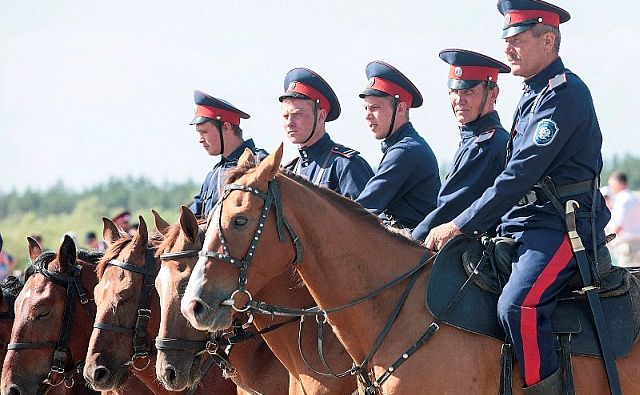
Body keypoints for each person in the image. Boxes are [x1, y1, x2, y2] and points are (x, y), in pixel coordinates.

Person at [425, 1, 610, 393]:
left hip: (563, 226)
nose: (509, 49)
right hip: (524, 226)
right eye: (507, 40)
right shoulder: (534, 93)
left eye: (518, 40)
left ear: (548, 41)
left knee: (518, 307)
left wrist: (459, 225)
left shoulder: (565, 94)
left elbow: (519, 174)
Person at [412, 49, 510, 241]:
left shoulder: (487, 145)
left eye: (469, 91)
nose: (459, 100)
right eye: (454, 91)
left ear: (493, 93)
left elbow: (451, 208)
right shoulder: (473, 140)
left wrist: (410, 242)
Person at [355, 61, 440, 230]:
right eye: (365, 108)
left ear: (401, 108)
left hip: (413, 251)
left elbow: (362, 210)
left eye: (375, 108)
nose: (368, 116)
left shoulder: (405, 151)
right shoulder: (403, 146)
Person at [280, 67, 374, 199]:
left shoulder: (346, 166)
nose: (290, 122)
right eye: (285, 116)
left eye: (297, 115)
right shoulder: (289, 171)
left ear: (321, 116)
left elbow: (366, 218)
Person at [189, 90, 268, 219]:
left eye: (204, 131)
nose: (200, 139)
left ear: (226, 127)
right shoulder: (213, 175)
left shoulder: (260, 162)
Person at [607, 171, 640, 266]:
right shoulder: (633, 197)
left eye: (612, 184)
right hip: (635, 242)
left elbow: (619, 225)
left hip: (627, 245)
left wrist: (608, 241)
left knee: (627, 276)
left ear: (620, 183)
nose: (611, 187)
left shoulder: (623, 200)